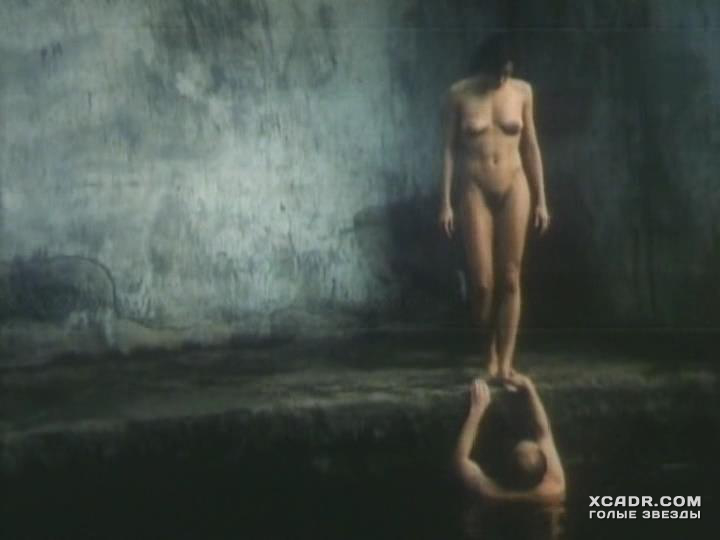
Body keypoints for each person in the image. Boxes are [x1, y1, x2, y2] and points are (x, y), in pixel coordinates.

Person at [438, 34, 550, 379]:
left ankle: (506, 361)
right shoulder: (459, 94)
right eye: (497, 72)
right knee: (483, 282)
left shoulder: (522, 92)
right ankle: (487, 354)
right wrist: (445, 202)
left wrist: (542, 200)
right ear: (484, 66)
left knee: (511, 277)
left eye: (507, 72)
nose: (502, 78)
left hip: (514, 184)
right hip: (474, 187)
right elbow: (449, 150)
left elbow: (530, 146)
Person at [453, 375, 565, 505]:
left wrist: (477, 409)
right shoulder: (555, 488)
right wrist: (530, 388)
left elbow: (460, 458)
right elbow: (543, 433)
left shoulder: (489, 492)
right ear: (545, 473)